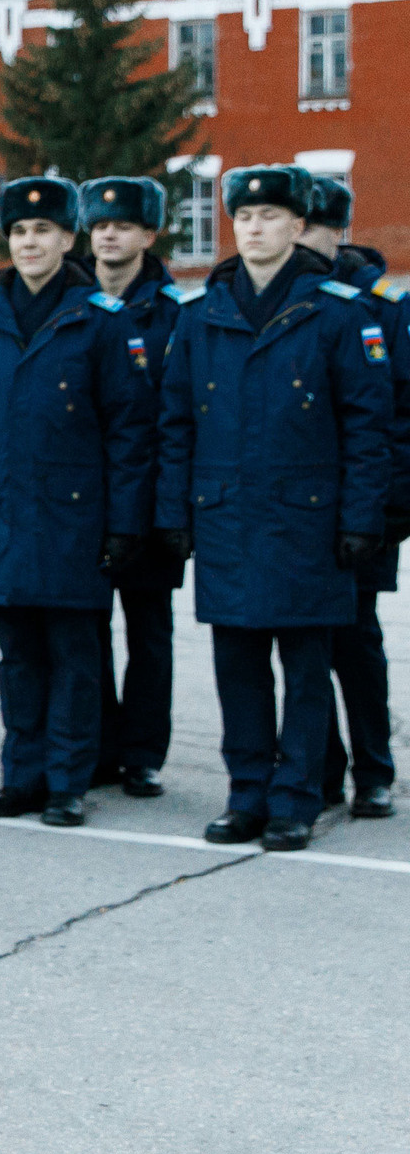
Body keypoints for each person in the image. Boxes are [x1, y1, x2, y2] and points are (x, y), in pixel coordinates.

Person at [154, 163, 392, 852]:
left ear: (298, 226)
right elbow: (176, 422)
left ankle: (296, 798)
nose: (255, 228)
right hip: (228, 516)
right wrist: (174, 512)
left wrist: (360, 520)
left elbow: (366, 428)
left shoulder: (337, 312)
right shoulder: (202, 316)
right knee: (238, 668)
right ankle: (247, 795)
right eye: (245, 217)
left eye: (271, 217)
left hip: (307, 520)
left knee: (307, 668)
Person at [0, 176, 154, 828]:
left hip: (74, 516)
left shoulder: (101, 320)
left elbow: (129, 430)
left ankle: (68, 780)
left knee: (73, 655)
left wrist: (124, 525)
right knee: (17, 655)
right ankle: (23, 775)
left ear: (69, 238)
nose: (30, 242)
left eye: (44, 231)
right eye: (20, 231)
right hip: (2, 510)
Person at [299, 177, 406, 818]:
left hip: (363, 506)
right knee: (305, 643)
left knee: (355, 641)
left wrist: (391, 509)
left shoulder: (382, 306)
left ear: (335, 232)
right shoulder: (288, 300)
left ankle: (373, 769)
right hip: (298, 508)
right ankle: (322, 764)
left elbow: (400, 416)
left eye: (310, 227)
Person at [81, 176, 187, 797]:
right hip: (85, 500)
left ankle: (143, 752)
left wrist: (171, 511)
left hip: (149, 501)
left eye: (123, 226)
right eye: (100, 227)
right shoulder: (76, 306)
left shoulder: (176, 314)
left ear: (149, 235)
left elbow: (179, 421)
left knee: (150, 634)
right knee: (85, 629)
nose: (111, 236)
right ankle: (97, 747)